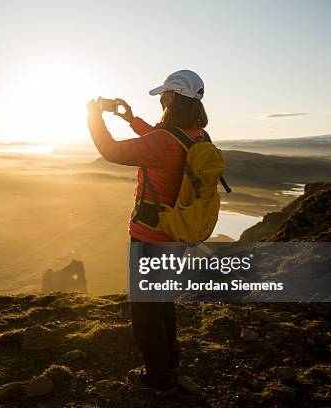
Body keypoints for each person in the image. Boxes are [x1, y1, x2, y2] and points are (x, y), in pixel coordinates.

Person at [86, 69, 209, 395]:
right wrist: (131, 119)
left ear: (171, 98)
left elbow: (111, 151)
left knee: (145, 311)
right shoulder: (197, 136)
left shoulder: (163, 141)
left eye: (163, 96)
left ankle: (157, 379)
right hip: (178, 234)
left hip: (151, 236)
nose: (161, 101)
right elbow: (164, 140)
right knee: (163, 301)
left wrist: (94, 118)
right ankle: (171, 364)